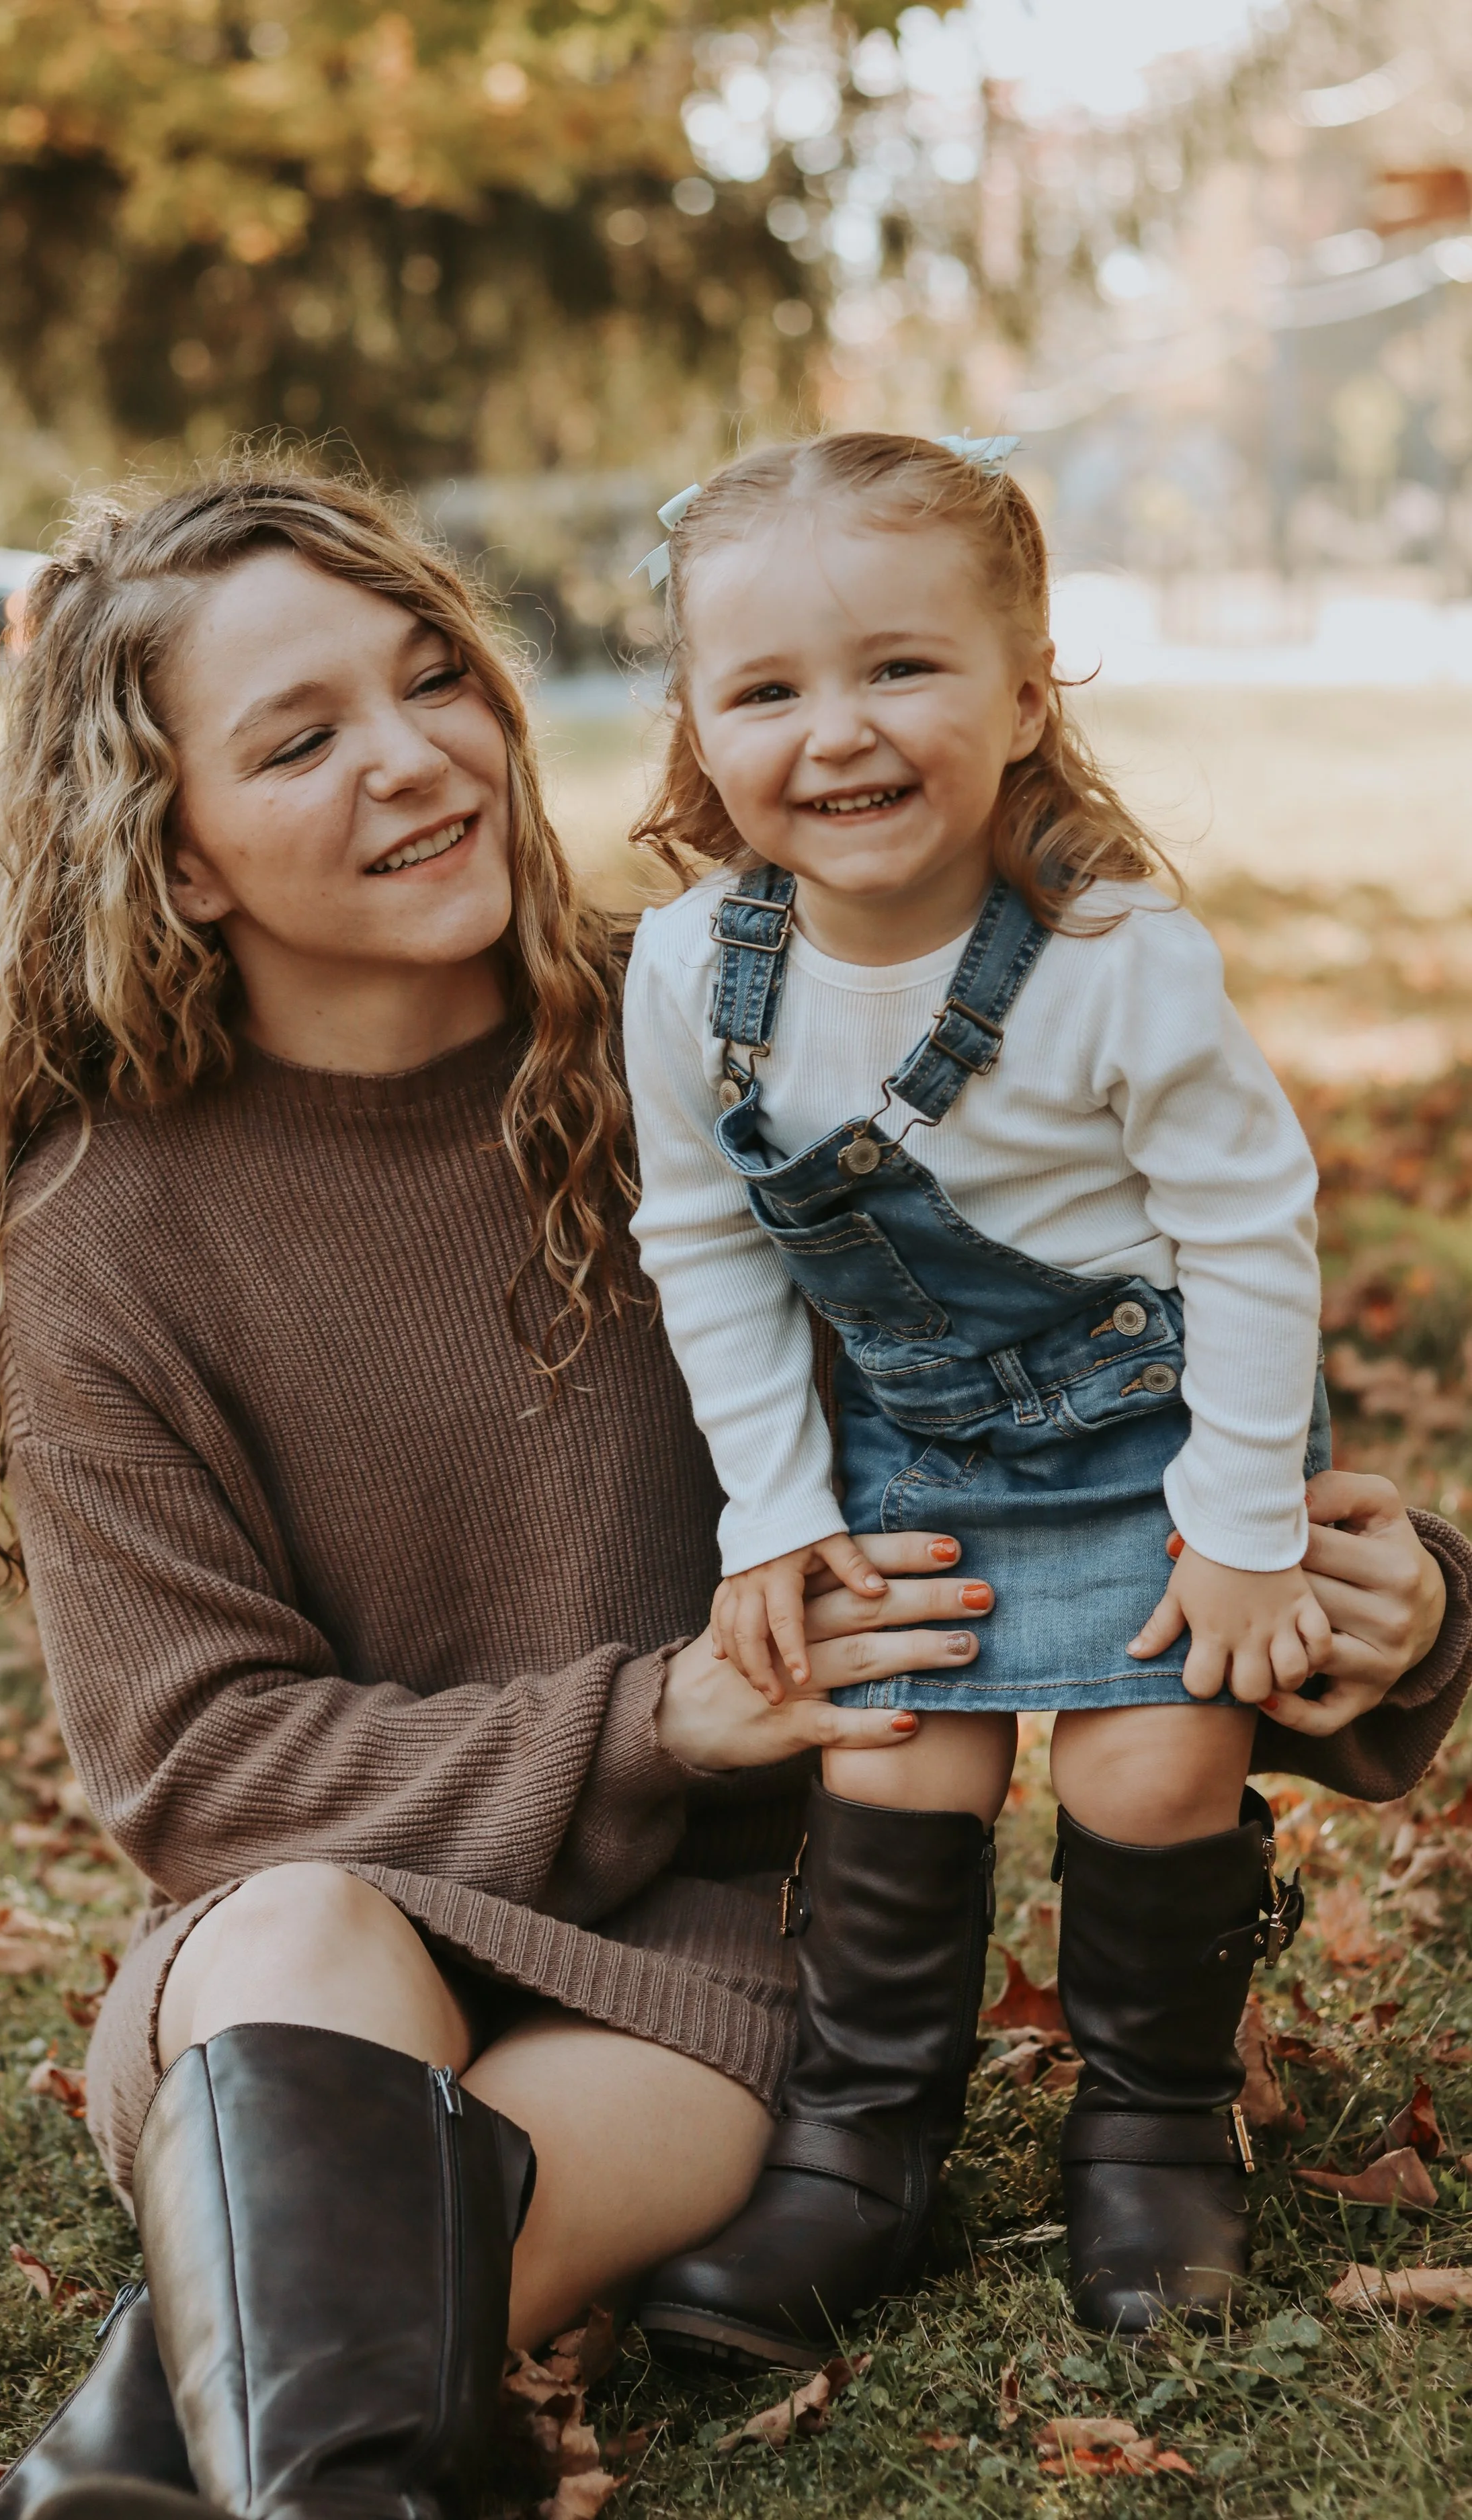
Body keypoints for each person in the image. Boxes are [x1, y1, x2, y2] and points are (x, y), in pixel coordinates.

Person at [0, 462, 1467, 2516]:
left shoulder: (749, 1025)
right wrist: (658, 1716)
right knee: (300, 1943)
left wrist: (1400, 1595)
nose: (416, 756)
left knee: (347, 2317)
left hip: (686, 1992)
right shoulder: (100, 1232)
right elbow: (198, 1765)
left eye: (431, 677)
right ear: (169, 854)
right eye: (300, 736)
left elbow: (1088, 1374)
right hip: (305, 1946)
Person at [615, 429, 1423, 2359]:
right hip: (912, 1433)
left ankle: (1152, 2126)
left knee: (1153, 1757)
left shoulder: (1112, 956)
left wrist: (1235, 1530)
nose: (838, 731)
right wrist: (781, 1512)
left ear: (1026, 694)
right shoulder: (680, 972)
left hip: (1158, 1432)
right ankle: (863, 2141)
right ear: (696, 729)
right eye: (768, 688)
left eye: (901, 667)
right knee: (897, 1745)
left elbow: (1244, 1235)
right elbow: (708, 1248)